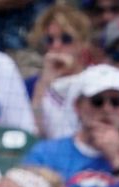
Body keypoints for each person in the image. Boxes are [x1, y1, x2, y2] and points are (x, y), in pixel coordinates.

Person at [24, 64, 119, 187]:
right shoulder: (47, 153)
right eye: (97, 101)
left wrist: (117, 159)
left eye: (116, 102)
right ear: (77, 106)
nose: (107, 109)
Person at [26, 5, 93, 137]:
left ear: (82, 43)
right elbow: (33, 133)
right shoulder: (31, 85)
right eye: (50, 40)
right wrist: (44, 84)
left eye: (66, 39)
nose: (56, 46)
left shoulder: (97, 78)